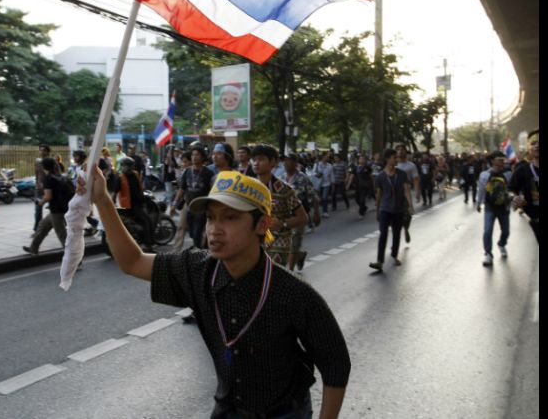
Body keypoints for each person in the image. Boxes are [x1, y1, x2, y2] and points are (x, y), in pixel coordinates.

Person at [87, 165, 351, 418]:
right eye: (211, 217)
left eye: (231, 217)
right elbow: (132, 261)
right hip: (228, 409)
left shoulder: (294, 294)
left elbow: (336, 365)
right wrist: (102, 201)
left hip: (285, 413)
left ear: (262, 225)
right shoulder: (197, 269)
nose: (215, 229)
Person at [370, 148, 414, 271]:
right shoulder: (380, 177)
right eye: (394, 158)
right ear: (388, 159)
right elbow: (378, 195)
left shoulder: (401, 174)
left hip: (398, 209)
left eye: (397, 158)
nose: (397, 160)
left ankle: (394, 255)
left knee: (396, 234)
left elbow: (406, 189)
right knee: (383, 234)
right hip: (385, 209)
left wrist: (410, 205)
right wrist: (377, 210)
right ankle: (379, 261)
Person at [23, 157, 69, 255]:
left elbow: (48, 196)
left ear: (43, 167)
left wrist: (40, 202)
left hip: (57, 211)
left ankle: (75, 260)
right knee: (42, 226)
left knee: (62, 235)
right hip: (60, 208)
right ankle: (33, 248)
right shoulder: (59, 176)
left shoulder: (48, 179)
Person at [476, 151, 512, 267]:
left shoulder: (508, 174)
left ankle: (501, 243)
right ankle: (488, 254)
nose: (502, 161)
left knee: (506, 231)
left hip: (504, 207)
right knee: (487, 230)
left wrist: (513, 199)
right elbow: (481, 189)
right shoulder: (484, 175)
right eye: (499, 159)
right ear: (492, 161)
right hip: (490, 207)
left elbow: (513, 189)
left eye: (503, 159)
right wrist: (478, 203)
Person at [509, 128, 539, 245]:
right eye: (533, 143)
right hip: (536, 220)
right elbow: (510, 189)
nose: (536, 146)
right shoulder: (522, 169)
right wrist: (515, 197)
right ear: (529, 148)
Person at [34, 144, 51, 234]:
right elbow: (37, 173)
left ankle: (61, 225)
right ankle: (37, 229)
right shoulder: (37, 161)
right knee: (37, 209)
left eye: (44, 150)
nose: (42, 152)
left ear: (48, 151)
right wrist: (37, 183)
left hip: (50, 188)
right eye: (40, 150)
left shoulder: (51, 161)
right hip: (39, 188)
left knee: (54, 210)